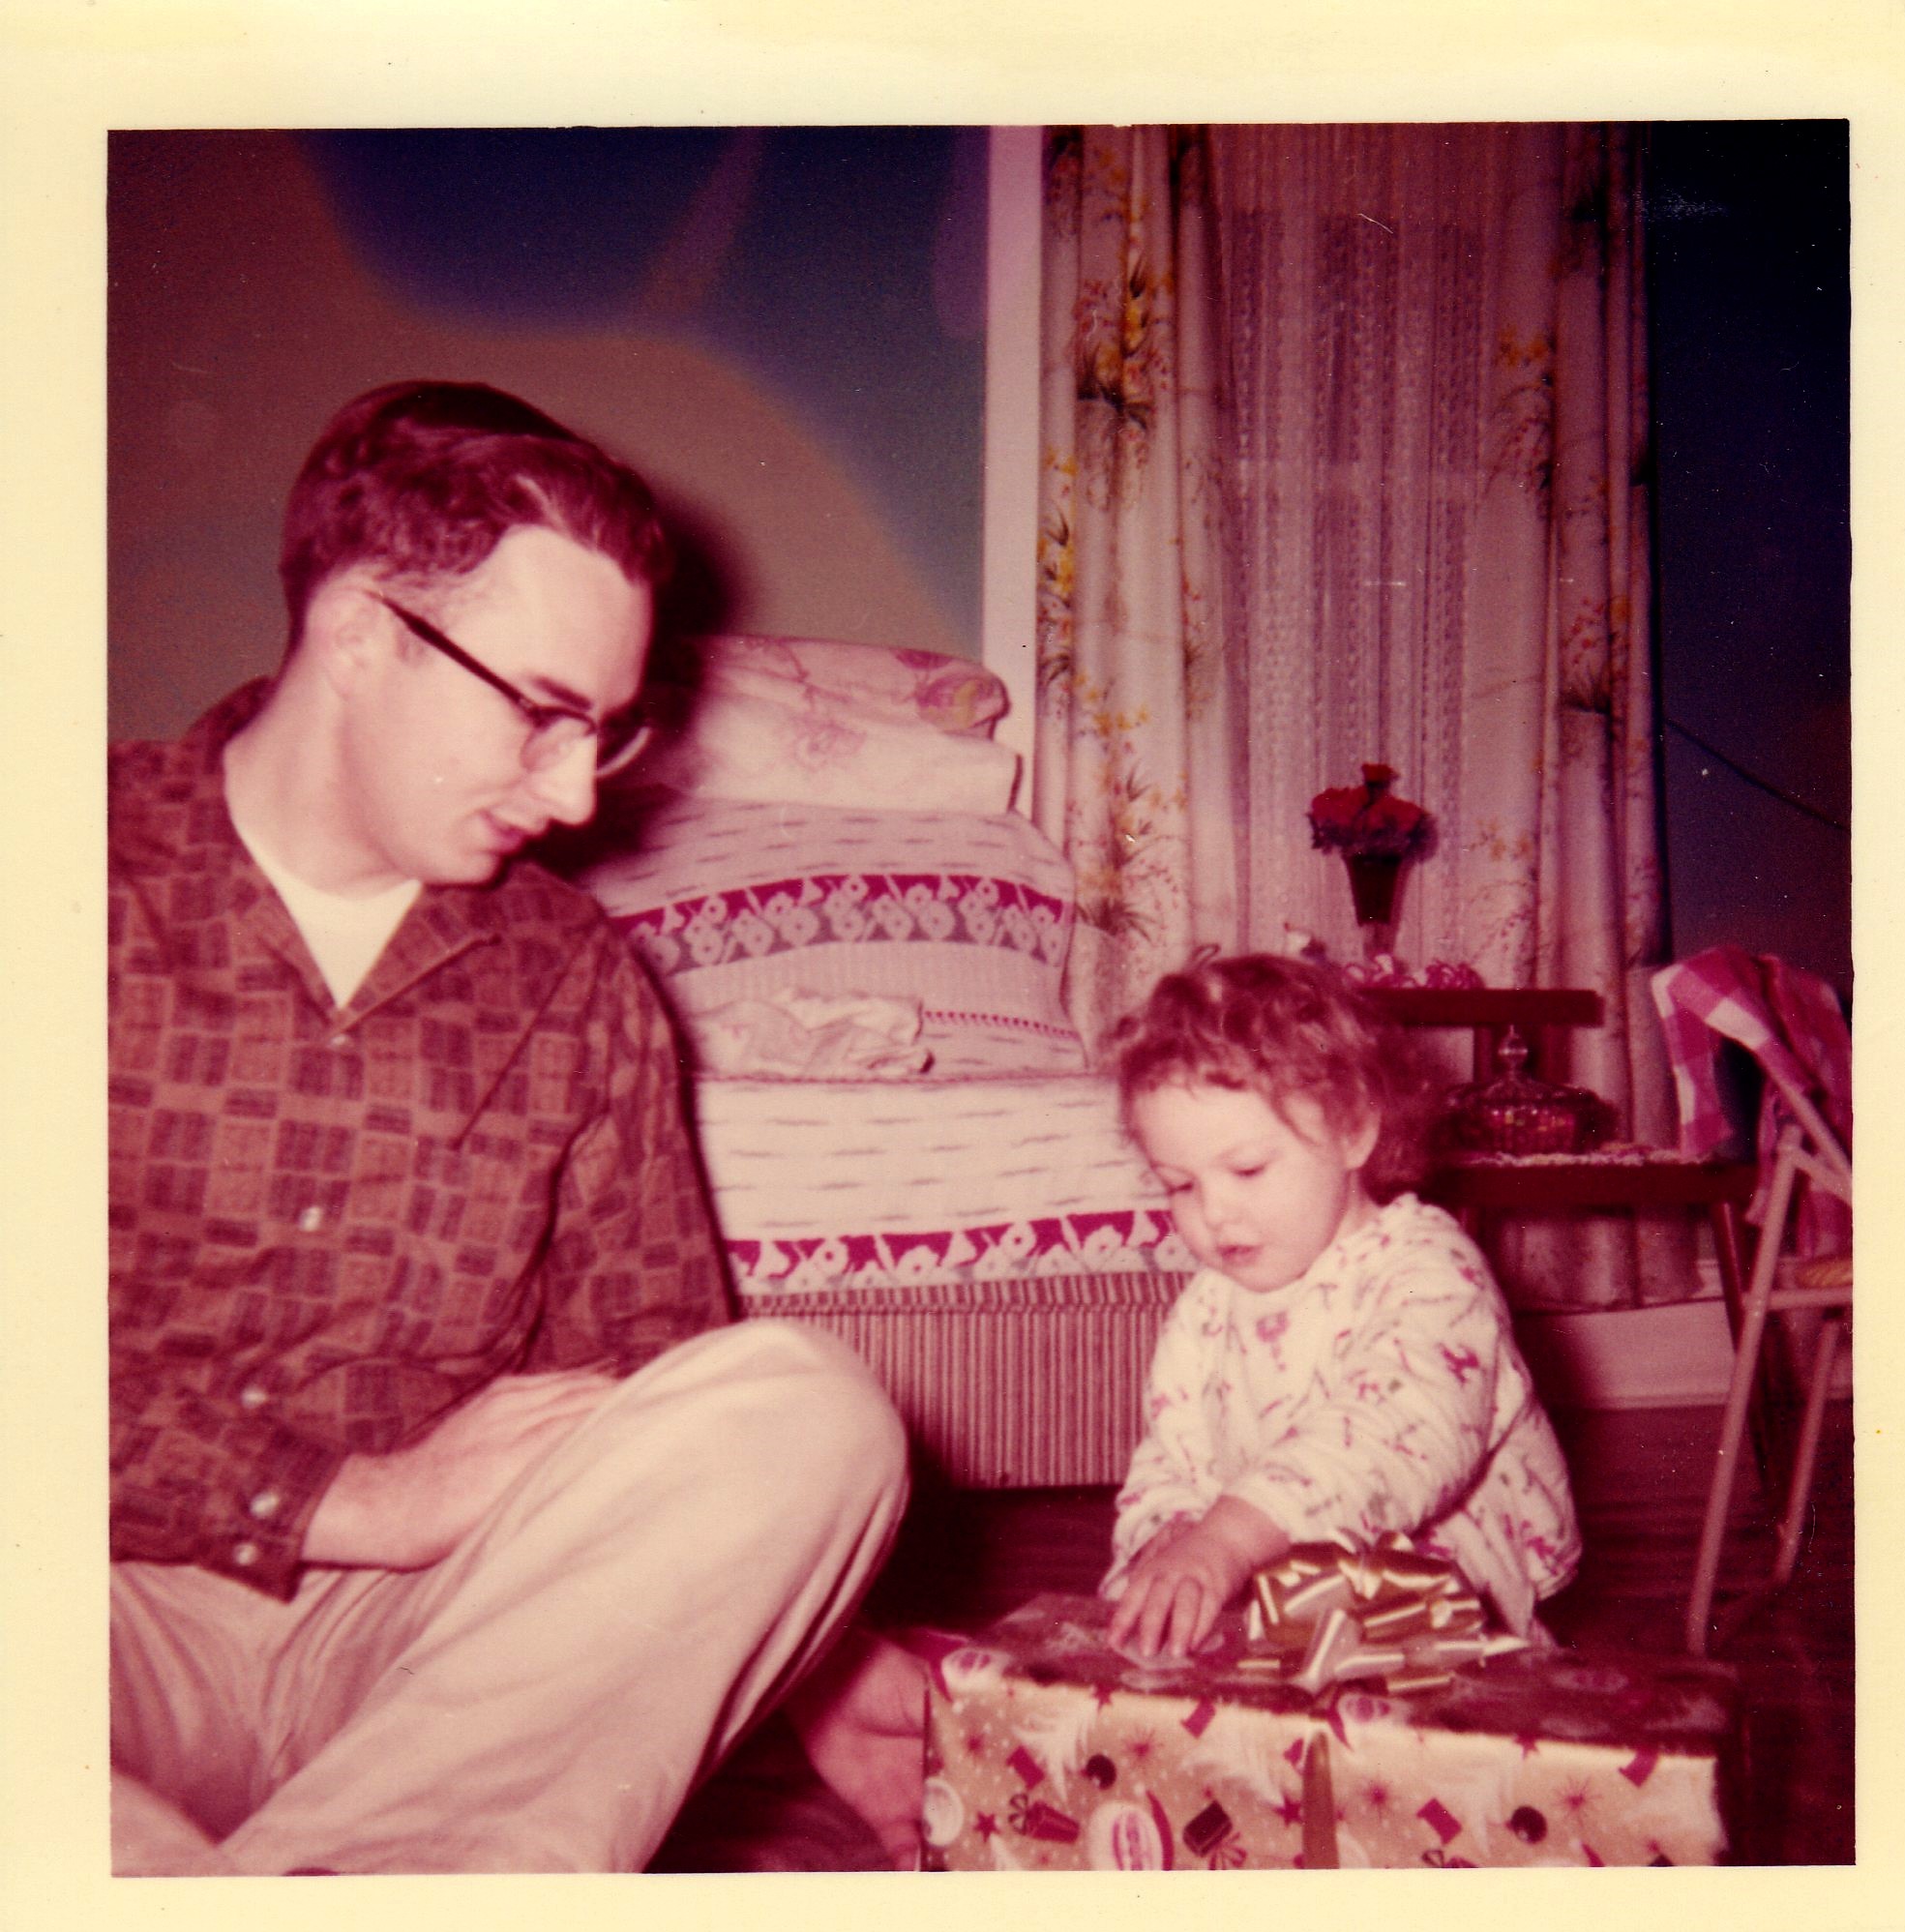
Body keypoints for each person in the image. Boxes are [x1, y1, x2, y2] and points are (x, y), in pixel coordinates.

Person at [107, 379, 926, 1874]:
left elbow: (657, 1380)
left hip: (420, 1661)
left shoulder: (573, 976)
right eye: (542, 714)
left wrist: (804, 1646)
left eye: (600, 735)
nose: (569, 798)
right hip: (96, 1608)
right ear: (360, 631)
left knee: (809, 1411)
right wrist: (356, 1499)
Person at [1099, 953, 1580, 1662]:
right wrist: (1166, 1534)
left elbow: (1394, 1428)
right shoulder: (1206, 1308)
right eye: (1179, 1184)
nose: (1214, 1212)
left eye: (1247, 1169)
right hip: (1276, 1592)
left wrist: (1229, 1536)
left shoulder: (1429, 1271)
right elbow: (1172, 1454)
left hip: (1445, 1609)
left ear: (1353, 1129)